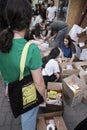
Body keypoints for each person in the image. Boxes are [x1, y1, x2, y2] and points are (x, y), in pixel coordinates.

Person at [0, 0, 45, 130]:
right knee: (28, 119)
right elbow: (39, 83)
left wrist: (8, 84)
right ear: (29, 21)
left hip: (12, 88)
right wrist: (44, 96)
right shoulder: (31, 50)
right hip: (27, 93)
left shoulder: (2, 41)